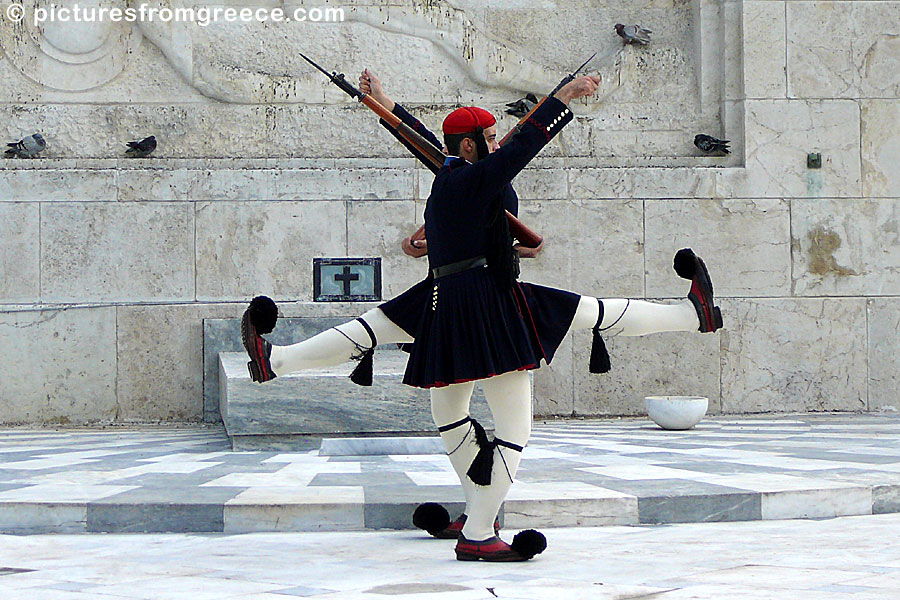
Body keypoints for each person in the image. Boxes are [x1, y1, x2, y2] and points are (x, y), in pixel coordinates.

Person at [241, 71, 723, 562]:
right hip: (487, 303)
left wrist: (384, 100)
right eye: (489, 138)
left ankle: (276, 360)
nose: (498, 143)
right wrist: (562, 98)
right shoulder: (475, 177)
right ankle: (477, 530)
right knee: (520, 423)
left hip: (447, 295)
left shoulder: (451, 174)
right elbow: (524, 146)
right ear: (469, 148)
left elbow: (421, 141)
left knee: (434, 393)